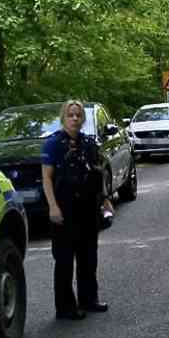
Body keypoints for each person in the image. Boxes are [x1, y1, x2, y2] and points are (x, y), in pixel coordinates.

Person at [41, 100, 112, 320]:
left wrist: (104, 200)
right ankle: (65, 307)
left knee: (88, 256)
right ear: (63, 118)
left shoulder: (88, 143)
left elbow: (96, 173)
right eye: (70, 115)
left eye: (78, 115)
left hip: (88, 207)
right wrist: (53, 206)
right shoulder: (53, 144)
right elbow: (46, 178)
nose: (74, 118)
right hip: (64, 207)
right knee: (64, 259)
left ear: (83, 119)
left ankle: (89, 299)